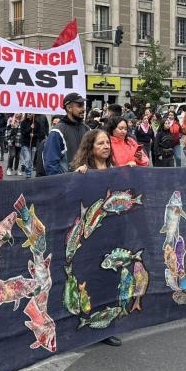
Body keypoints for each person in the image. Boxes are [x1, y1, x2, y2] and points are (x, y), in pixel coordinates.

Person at [68, 129, 122, 347]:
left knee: (109, 280)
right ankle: (81, 323)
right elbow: (70, 197)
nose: (106, 147)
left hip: (113, 234)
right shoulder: (82, 172)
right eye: (100, 143)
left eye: (107, 143)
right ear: (90, 148)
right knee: (87, 280)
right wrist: (77, 177)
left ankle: (104, 327)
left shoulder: (116, 171)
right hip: (89, 238)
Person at [43, 93, 90, 176]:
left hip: (85, 181)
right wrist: (61, 184)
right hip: (66, 183)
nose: (83, 109)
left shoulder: (87, 129)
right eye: (79, 106)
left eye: (83, 105)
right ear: (69, 108)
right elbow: (51, 164)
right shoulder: (57, 131)